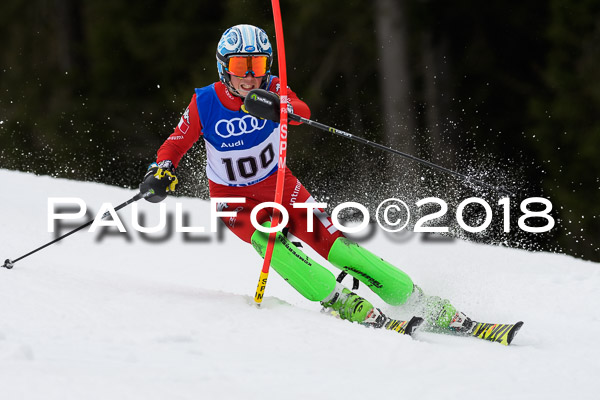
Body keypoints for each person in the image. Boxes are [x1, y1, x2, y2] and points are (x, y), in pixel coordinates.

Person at [140, 24, 473, 334]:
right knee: (275, 248)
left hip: (281, 187)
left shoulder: (272, 88)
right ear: (224, 67)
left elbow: (301, 110)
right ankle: (339, 300)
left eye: (258, 64)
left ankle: (418, 300)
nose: (250, 77)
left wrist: (282, 108)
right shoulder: (205, 102)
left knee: (341, 249)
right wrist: (162, 169)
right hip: (235, 201)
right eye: (241, 67)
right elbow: (176, 142)